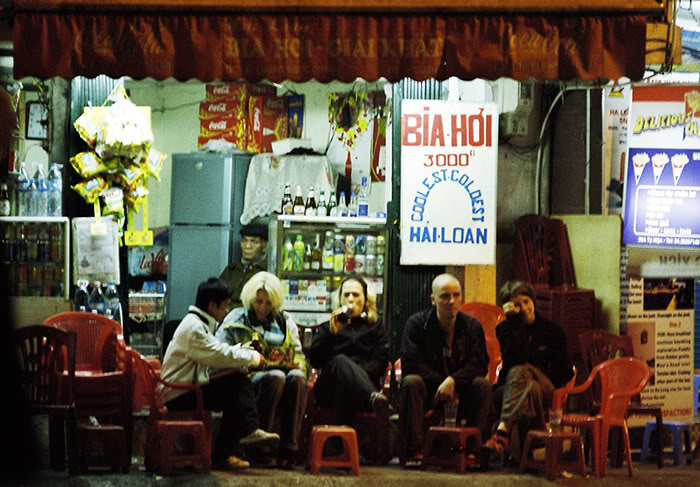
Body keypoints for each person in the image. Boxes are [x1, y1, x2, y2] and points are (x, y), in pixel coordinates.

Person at [159, 277, 280, 470]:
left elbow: (216, 350)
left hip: (188, 387)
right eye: (224, 306)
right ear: (212, 305)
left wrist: (242, 350)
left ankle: (228, 450)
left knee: (236, 387)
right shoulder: (194, 328)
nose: (226, 311)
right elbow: (216, 355)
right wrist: (251, 357)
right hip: (180, 393)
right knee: (237, 385)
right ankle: (244, 434)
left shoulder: (199, 323)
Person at [399, 273, 493, 467]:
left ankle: (473, 451)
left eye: (456, 295)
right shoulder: (417, 324)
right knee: (411, 382)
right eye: (444, 296)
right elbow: (410, 363)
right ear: (433, 299)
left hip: (461, 390)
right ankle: (415, 452)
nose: (451, 301)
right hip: (429, 391)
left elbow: (480, 363)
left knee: (482, 385)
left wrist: (453, 381)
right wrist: (442, 383)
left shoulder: (472, 326)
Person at [216, 271, 307, 468]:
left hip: (284, 374)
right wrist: (248, 357)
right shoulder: (236, 318)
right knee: (275, 377)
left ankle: (289, 449)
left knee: (298, 377)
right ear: (250, 299)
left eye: (268, 303)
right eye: (258, 301)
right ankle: (260, 449)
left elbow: (299, 353)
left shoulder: (284, 321)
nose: (263, 307)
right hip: (247, 378)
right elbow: (220, 351)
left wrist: (297, 363)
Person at [481, 280, 573, 462]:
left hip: (547, 386)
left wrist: (537, 374)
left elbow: (566, 371)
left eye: (526, 302)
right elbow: (518, 358)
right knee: (529, 387)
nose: (523, 308)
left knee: (523, 373)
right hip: (509, 389)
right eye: (516, 304)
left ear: (533, 302)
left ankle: (502, 432)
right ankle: (525, 453)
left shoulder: (553, 330)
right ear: (508, 307)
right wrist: (516, 324)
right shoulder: (504, 330)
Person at [307, 274, 391, 444]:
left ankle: (342, 446)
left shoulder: (375, 328)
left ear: (365, 300)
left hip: (361, 387)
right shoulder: (328, 327)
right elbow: (314, 360)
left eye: (356, 294)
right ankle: (372, 399)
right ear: (340, 299)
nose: (351, 299)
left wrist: (355, 376)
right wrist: (332, 333)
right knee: (340, 361)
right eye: (346, 295)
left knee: (348, 381)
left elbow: (381, 361)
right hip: (330, 388)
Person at [219, 223, 268, 310]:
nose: (247, 246)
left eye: (254, 242)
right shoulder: (231, 270)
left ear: (265, 245)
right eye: (244, 241)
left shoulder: (267, 272)